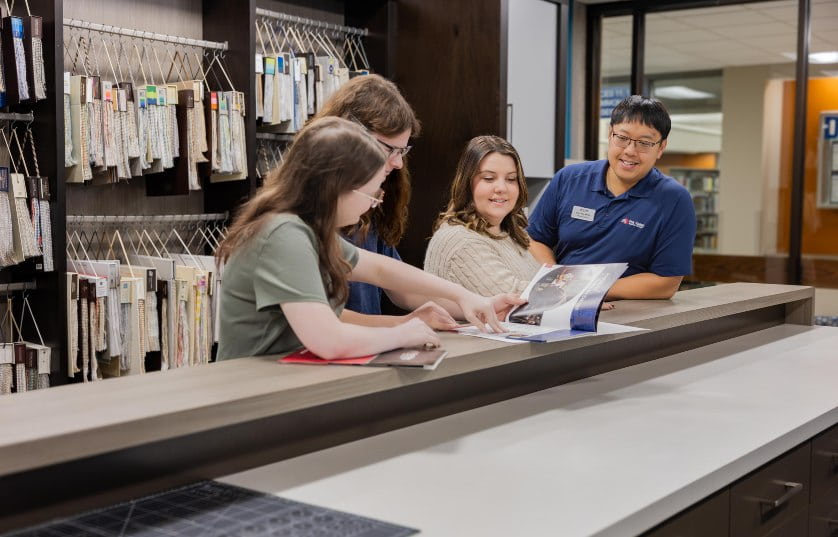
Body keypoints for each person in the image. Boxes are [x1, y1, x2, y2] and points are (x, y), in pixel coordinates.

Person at [216, 117, 521, 361]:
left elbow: (380, 269)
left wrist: (466, 297)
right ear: (339, 187)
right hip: (254, 391)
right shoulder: (285, 235)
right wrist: (403, 333)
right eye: (372, 193)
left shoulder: (304, 229)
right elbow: (329, 340)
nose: (373, 204)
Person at [527, 95, 696, 299]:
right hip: (559, 303)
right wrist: (557, 283)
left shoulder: (674, 199)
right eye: (622, 138)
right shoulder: (569, 179)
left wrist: (586, 291)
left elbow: (666, 283)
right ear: (610, 134)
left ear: (661, 147)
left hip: (628, 313)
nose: (630, 151)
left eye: (644, 143)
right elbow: (535, 239)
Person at [312, 74, 431, 326]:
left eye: (402, 151)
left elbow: (391, 277)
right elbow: (322, 319)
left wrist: (475, 302)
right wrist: (405, 324)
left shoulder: (367, 203)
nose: (398, 163)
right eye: (389, 150)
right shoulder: (297, 221)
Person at [424, 135, 541, 296]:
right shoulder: (460, 240)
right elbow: (512, 298)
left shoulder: (511, 234)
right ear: (467, 183)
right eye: (488, 178)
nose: (501, 188)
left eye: (511, 179)